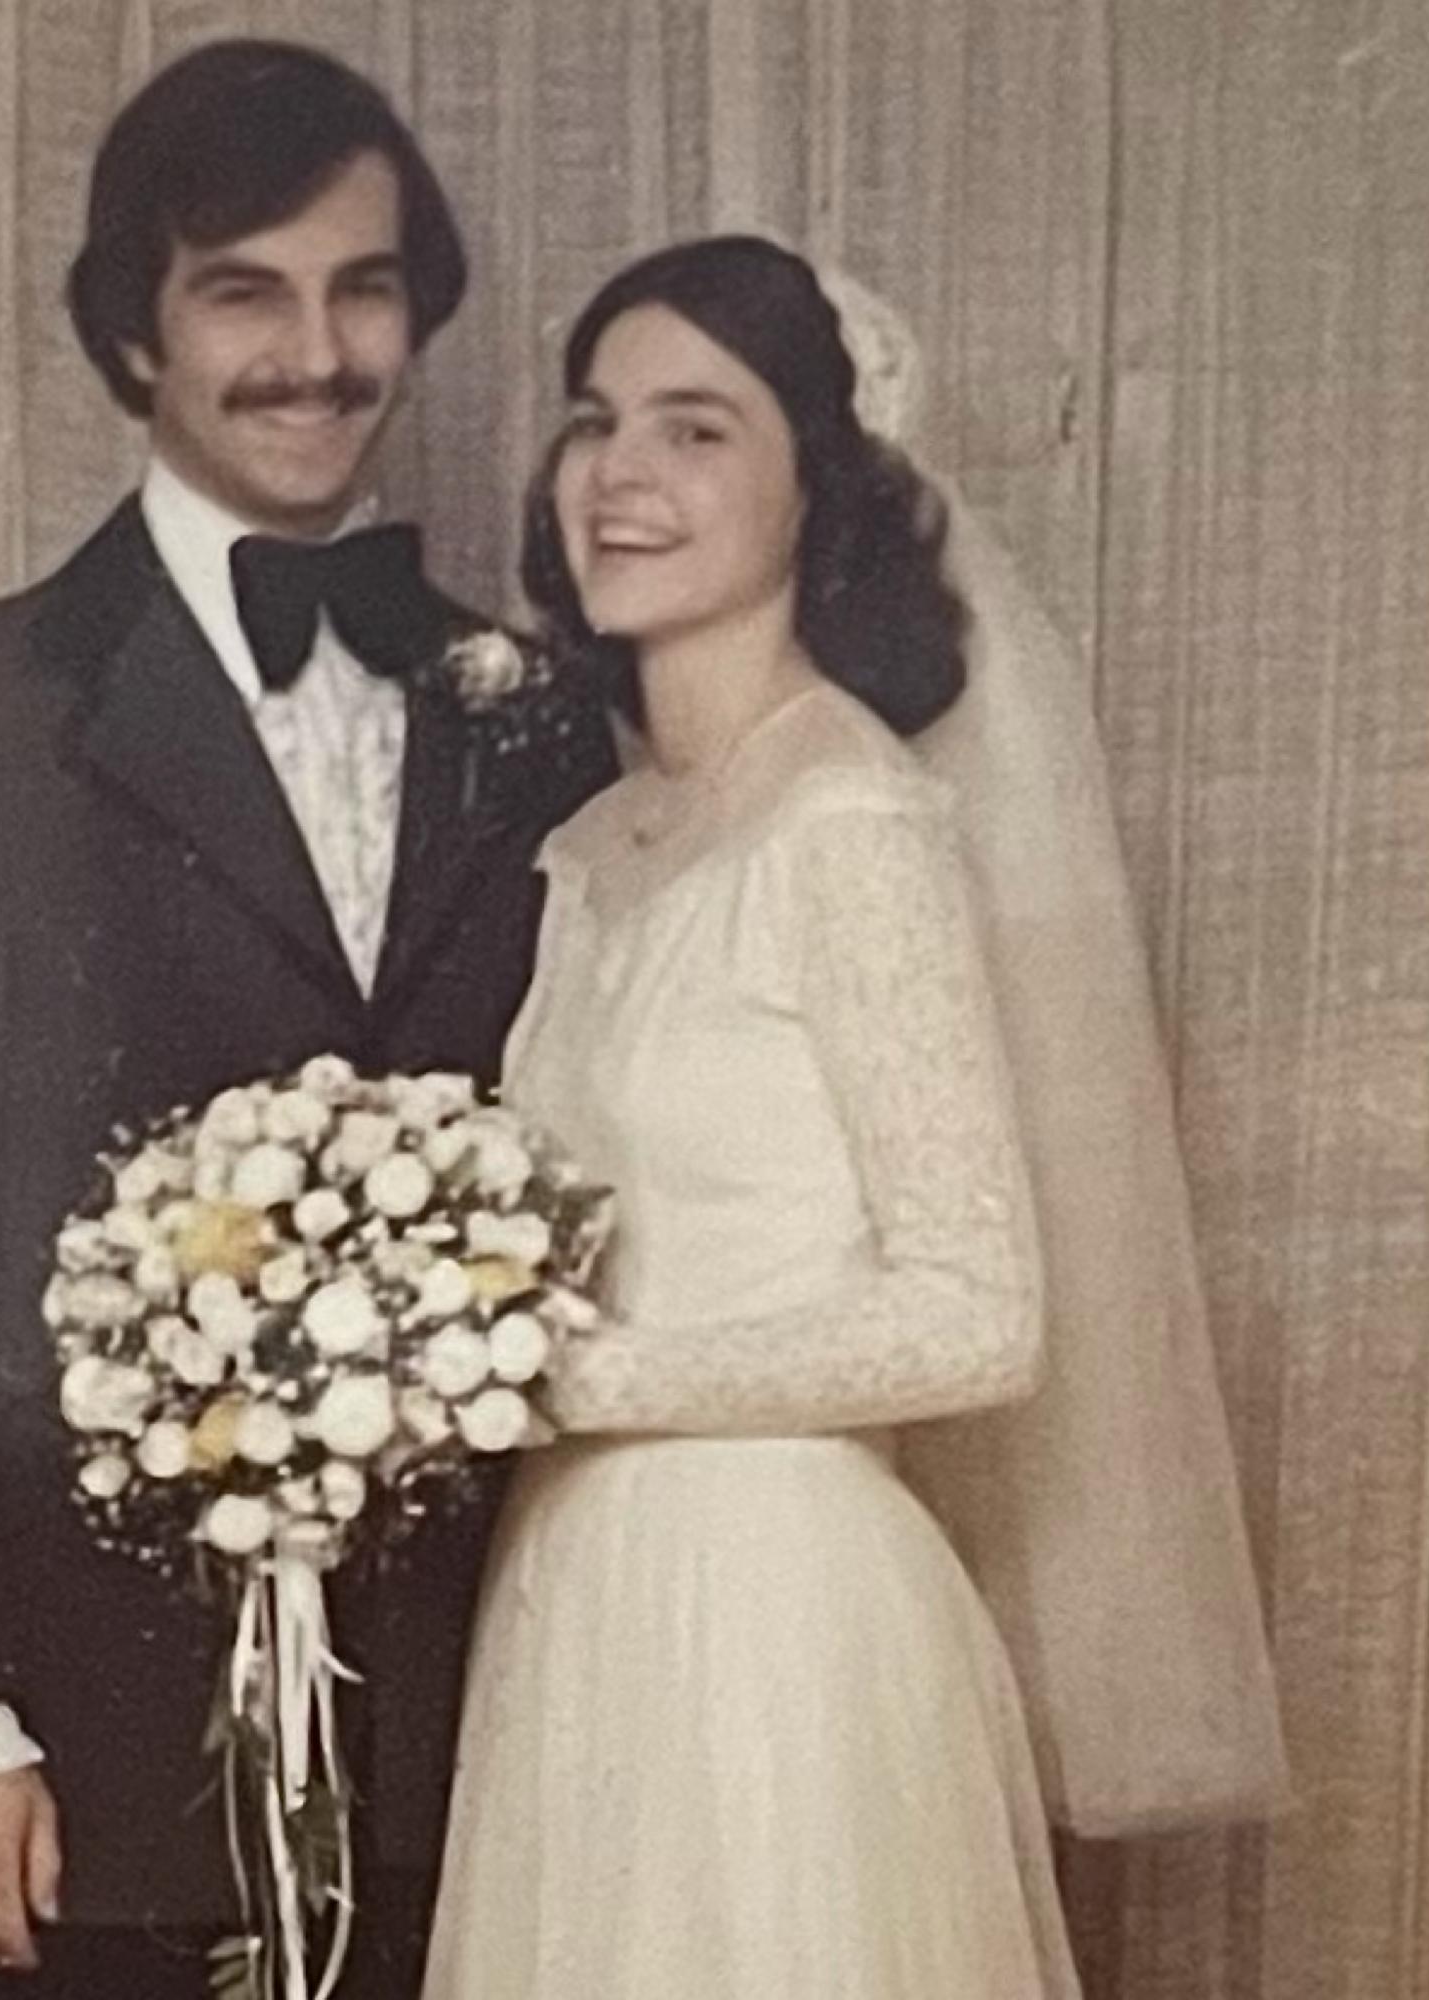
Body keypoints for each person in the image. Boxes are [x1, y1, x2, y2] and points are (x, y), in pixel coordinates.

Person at [0, 40, 613, 2000]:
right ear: (134, 335)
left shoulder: (535, 710)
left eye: (363, 286)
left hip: (490, 1733)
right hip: (93, 1753)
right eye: (243, 289)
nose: (313, 354)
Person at [423, 236, 1284, 1997]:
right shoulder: (597, 849)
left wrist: (569, 1377)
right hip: (579, 1606)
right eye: (595, 424)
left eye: (699, 429)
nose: (623, 475)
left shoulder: (853, 826)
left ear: (825, 486)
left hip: (779, 1619)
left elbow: (981, 1310)